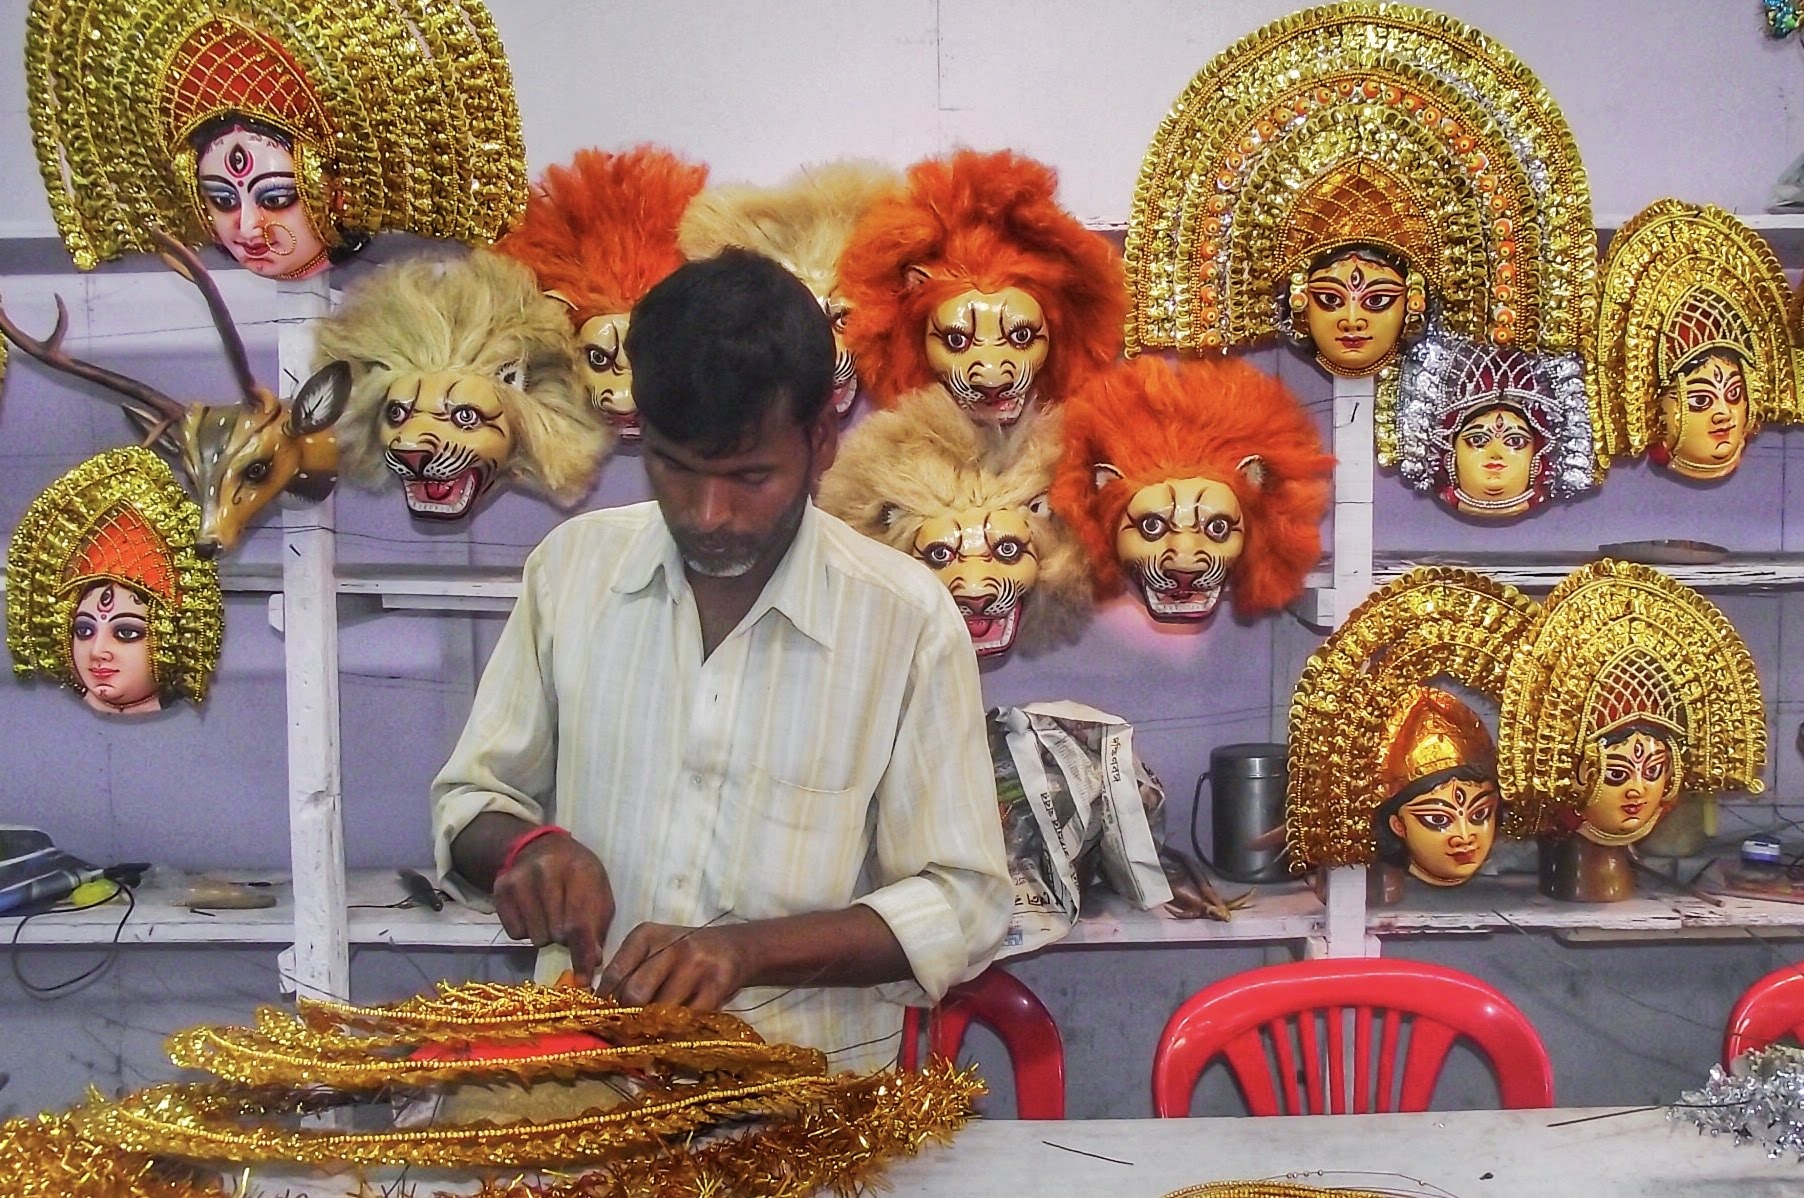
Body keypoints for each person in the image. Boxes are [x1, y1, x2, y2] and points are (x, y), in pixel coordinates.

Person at [432, 248, 1011, 1072]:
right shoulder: (572, 571)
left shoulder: (906, 620)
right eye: (674, 465)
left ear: (820, 442)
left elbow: (964, 902)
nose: (709, 514)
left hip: (803, 1114)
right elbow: (473, 800)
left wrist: (747, 952)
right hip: (589, 1091)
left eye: (750, 476)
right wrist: (529, 852)